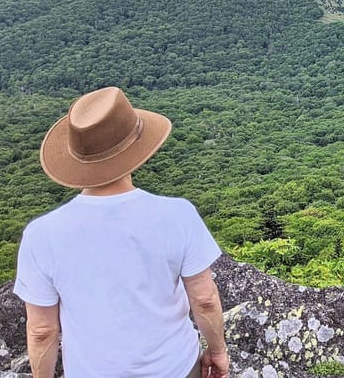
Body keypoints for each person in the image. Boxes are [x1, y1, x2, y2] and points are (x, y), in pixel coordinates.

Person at [13, 87, 229, 378]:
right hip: (176, 368)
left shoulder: (41, 235)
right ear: (135, 149)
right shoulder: (178, 214)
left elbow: (41, 331)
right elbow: (204, 299)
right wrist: (218, 351)